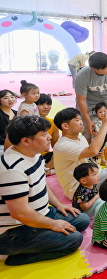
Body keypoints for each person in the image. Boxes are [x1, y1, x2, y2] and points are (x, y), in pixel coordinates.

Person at [0, 114, 90, 266]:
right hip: (15, 229)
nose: (49, 137)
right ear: (26, 141)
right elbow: (19, 213)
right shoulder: (12, 169)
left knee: (82, 220)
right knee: (74, 240)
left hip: (40, 213)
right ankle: (12, 256)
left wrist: (59, 205)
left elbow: (42, 183)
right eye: (43, 134)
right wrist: (52, 224)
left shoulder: (34, 155)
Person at [75, 52, 107, 139]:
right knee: (89, 130)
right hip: (88, 102)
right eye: (105, 68)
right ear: (94, 69)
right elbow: (81, 100)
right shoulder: (82, 76)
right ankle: (90, 150)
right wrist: (88, 121)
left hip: (106, 101)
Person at [35, 93, 60, 173]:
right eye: (41, 104)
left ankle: (48, 169)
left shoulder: (52, 123)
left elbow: (56, 145)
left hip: (45, 156)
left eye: (48, 104)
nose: (46, 107)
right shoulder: (28, 123)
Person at [0, 89, 17, 154]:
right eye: (6, 98)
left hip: (15, 145)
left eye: (12, 97)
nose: (10, 100)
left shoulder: (17, 113)